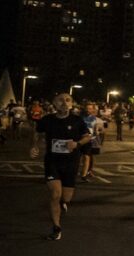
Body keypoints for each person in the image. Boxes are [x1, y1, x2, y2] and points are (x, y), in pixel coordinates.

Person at [30, 93, 91, 240]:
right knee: (55, 194)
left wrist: (77, 143)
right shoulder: (47, 120)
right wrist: (34, 146)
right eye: (60, 100)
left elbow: (87, 136)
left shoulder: (77, 121)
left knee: (66, 197)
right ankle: (56, 228)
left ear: (72, 104)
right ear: (54, 104)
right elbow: (37, 133)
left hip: (71, 162)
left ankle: (64, 203)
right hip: (52, 161)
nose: (64, 102)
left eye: (68, 100)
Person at [79, 101, 105, 181]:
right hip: (78, 139)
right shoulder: (78, 118)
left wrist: (99, 129)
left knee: (87, 157)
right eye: (86, 108)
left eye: (90, 109)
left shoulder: (95, 119)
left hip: (89, 140)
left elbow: (101, 128)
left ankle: (84, 175)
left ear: (92, 110)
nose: (88, 110)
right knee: (76, 158)